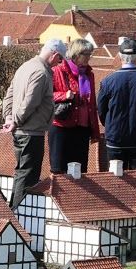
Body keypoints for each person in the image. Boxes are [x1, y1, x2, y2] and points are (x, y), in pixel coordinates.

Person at [6, 39, 65, 209]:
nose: (58, 64)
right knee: (27, 177)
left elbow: (9, 95)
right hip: (30, 132)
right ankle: (18, 213)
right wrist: (15, 121)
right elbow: (30, 102)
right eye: (59, 59)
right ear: (54, 54)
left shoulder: (25, 66)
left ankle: (14, 210)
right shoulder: (41, 73)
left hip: (22, 130)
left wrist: (8, 118)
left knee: (21, 173)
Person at [96, 36, 136, 171]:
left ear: (119, 56)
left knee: (116, 178)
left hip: (115, 137)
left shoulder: (108, 81)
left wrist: (110, 123)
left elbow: (101, 110)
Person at [48, 38, 101, 175]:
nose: (89, 57)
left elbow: (92, 104)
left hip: (82, 129)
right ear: (77, 55)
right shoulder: (57, 71)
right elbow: (46, 95)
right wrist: (64, 95)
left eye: (90, 54)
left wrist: (94, 131)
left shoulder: (89, 74)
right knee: (59, 170)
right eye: (87, 54)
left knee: (80, 171)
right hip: (61, 127)